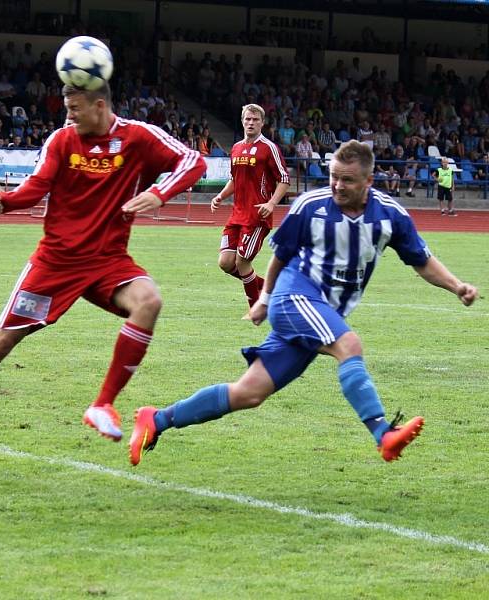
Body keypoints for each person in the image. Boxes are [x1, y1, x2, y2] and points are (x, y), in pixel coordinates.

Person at [129, 140, 478, 467]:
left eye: (348, 180)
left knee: (249, 393)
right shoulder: (310, 206)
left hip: (319, 313)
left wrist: (456, 285)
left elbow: (421, 260)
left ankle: (157, 419)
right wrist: (265, 300)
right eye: (333, 177)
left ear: (369, 180)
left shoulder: (390, 216)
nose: (338, 186)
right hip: (295, 297)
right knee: (349, 345)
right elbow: (281, 258)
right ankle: (383, 434)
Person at [0, 81, 206, 479]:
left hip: (109, 261)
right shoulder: (62, 141)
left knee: (149, 301)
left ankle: (103, 404)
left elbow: (193, 161)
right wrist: (9, 200)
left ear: (99, 105)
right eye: (67, 108)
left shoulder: (136, 137)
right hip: (55, 265)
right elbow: (38, 185)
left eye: (75, 107)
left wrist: (159, 192)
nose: (68, 115)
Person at [210, 104, 290, 313]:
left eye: (255, 119)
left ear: (262, 122)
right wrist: (220, 196)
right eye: (247, 119)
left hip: (257, 216)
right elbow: (234, 180)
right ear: (242, 121)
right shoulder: (236, 148)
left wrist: (271, 203)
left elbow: (284, 179)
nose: (251, 123)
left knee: (242, 262)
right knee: (226, 262)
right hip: (236, 215)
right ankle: (270, 289)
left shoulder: (269, 148)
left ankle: (256, 310)